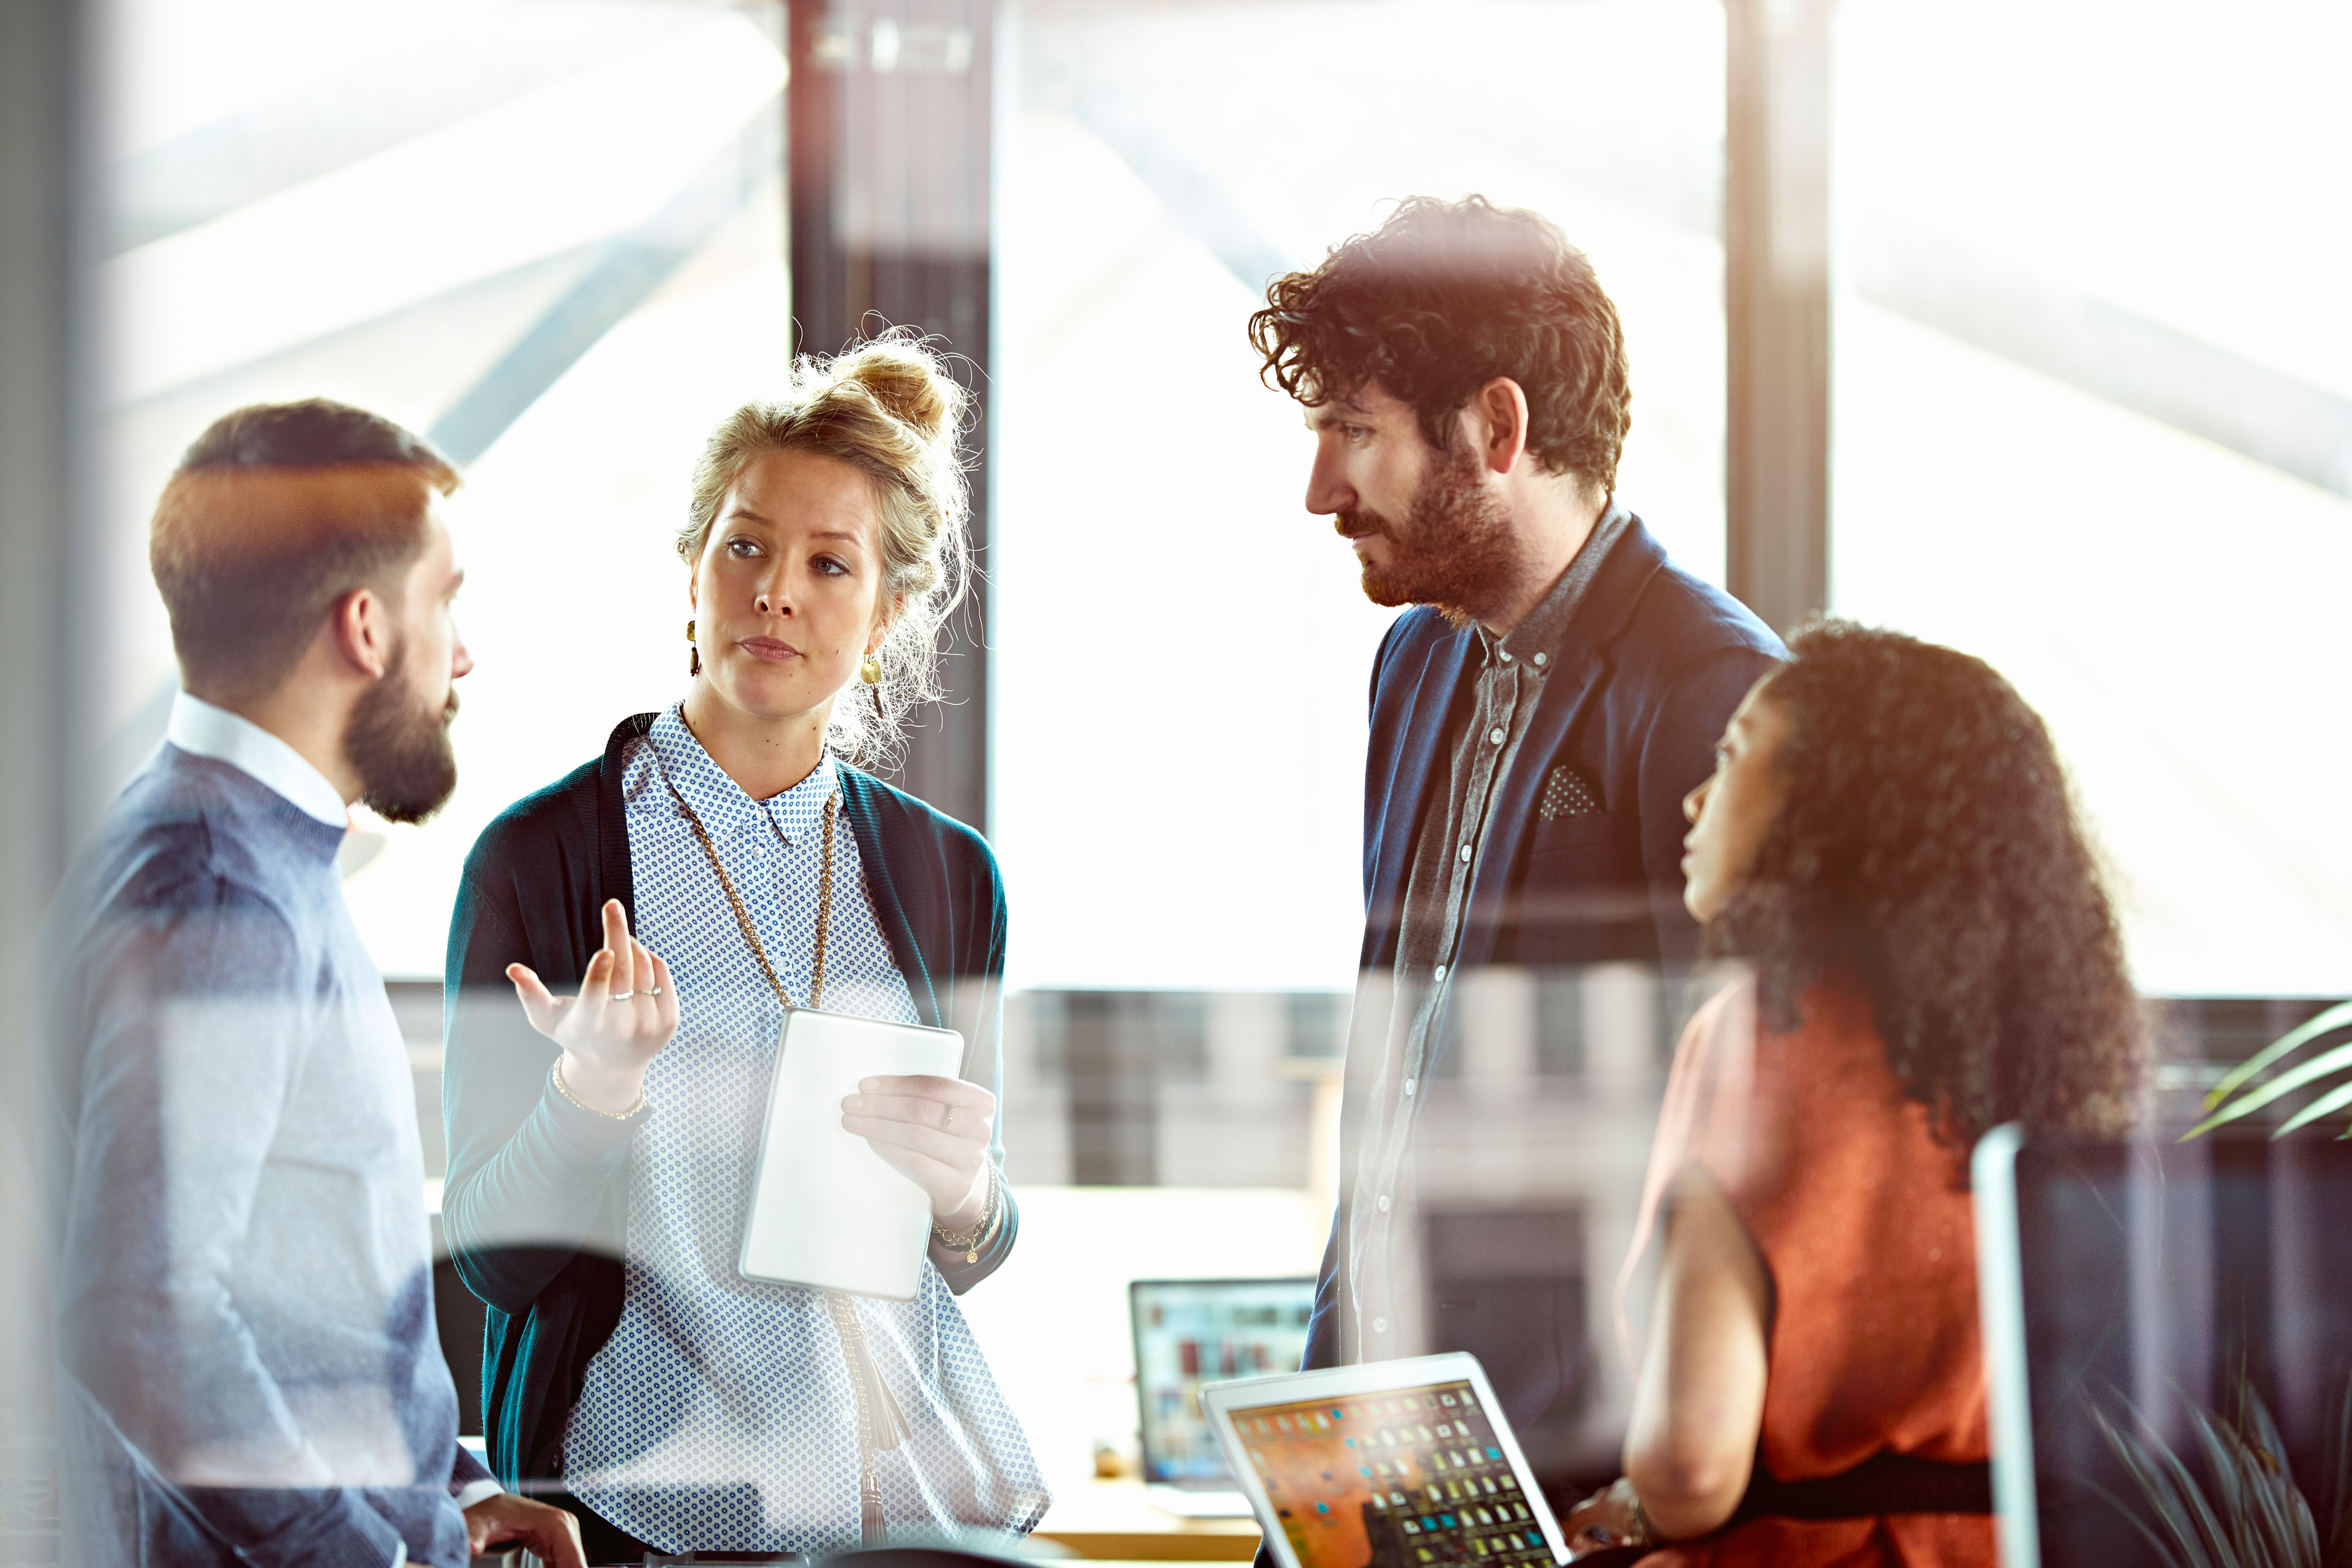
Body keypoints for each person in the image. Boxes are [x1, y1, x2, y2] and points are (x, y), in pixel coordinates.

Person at [440, 333, 1047, 1559]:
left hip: (894, 1511)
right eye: (748, 545)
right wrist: (588, 1090)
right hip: (631, 1513)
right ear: (692, 571)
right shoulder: (542, 861)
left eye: (831, 563)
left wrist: (971, 1195)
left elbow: (955, 1248)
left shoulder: (947, 876)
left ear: (886, 612)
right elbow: (493, 1265)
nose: (777, 590)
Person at [1244, 195, 1784, 1479]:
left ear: (1498, 425)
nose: (1321, 488)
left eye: (1352, 433)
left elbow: (1755, 1138)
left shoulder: (1720, 694)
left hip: (1580, 1465)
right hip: (1376, 1434)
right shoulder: (1413, 659)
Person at [33, 401, 586, 1567]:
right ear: (368, 628)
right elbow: (145, 1323)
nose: (466, 652)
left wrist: (445, 1492)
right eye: (448, 600)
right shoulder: (220, 894)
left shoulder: (229, 846)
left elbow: (295, 1294)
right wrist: (369, 1554)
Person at [1562, 622, 2143, 1564]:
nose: (1694, 800)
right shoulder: (2044, 1044)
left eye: (1735, 756)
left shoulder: (1761, 1034)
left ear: (1831, 808)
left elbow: (1690, 1469)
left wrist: (1631, 1509)